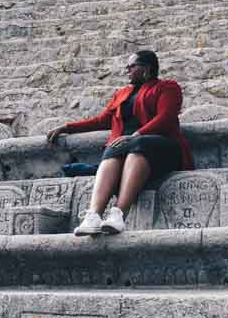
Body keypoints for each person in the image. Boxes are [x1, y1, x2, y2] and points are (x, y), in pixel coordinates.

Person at [47, 50, 194, 236]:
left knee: (137, 146)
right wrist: (67, 127)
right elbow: (102, 121)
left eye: (131, 66)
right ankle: (93, 216)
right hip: (125, 148)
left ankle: (118, 215)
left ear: (147, 68)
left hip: (162, 147)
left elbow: (166, 117)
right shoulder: (122, 94)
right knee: (112, 149)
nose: (127, 70)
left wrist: (136, 135)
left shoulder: (168, 87)